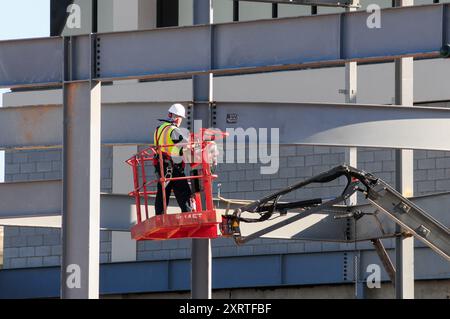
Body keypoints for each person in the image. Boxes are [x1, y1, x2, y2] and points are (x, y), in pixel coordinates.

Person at [153, 103, 193, 215]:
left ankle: (159, 216)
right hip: (173, 167)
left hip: (161, 166)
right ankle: (188, 215)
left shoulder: (159, 129)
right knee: (183, 191)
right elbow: (186, 145)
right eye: (180, 118)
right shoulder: (173, 130)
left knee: (162, 192)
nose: (180, 121)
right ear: (176, 117)